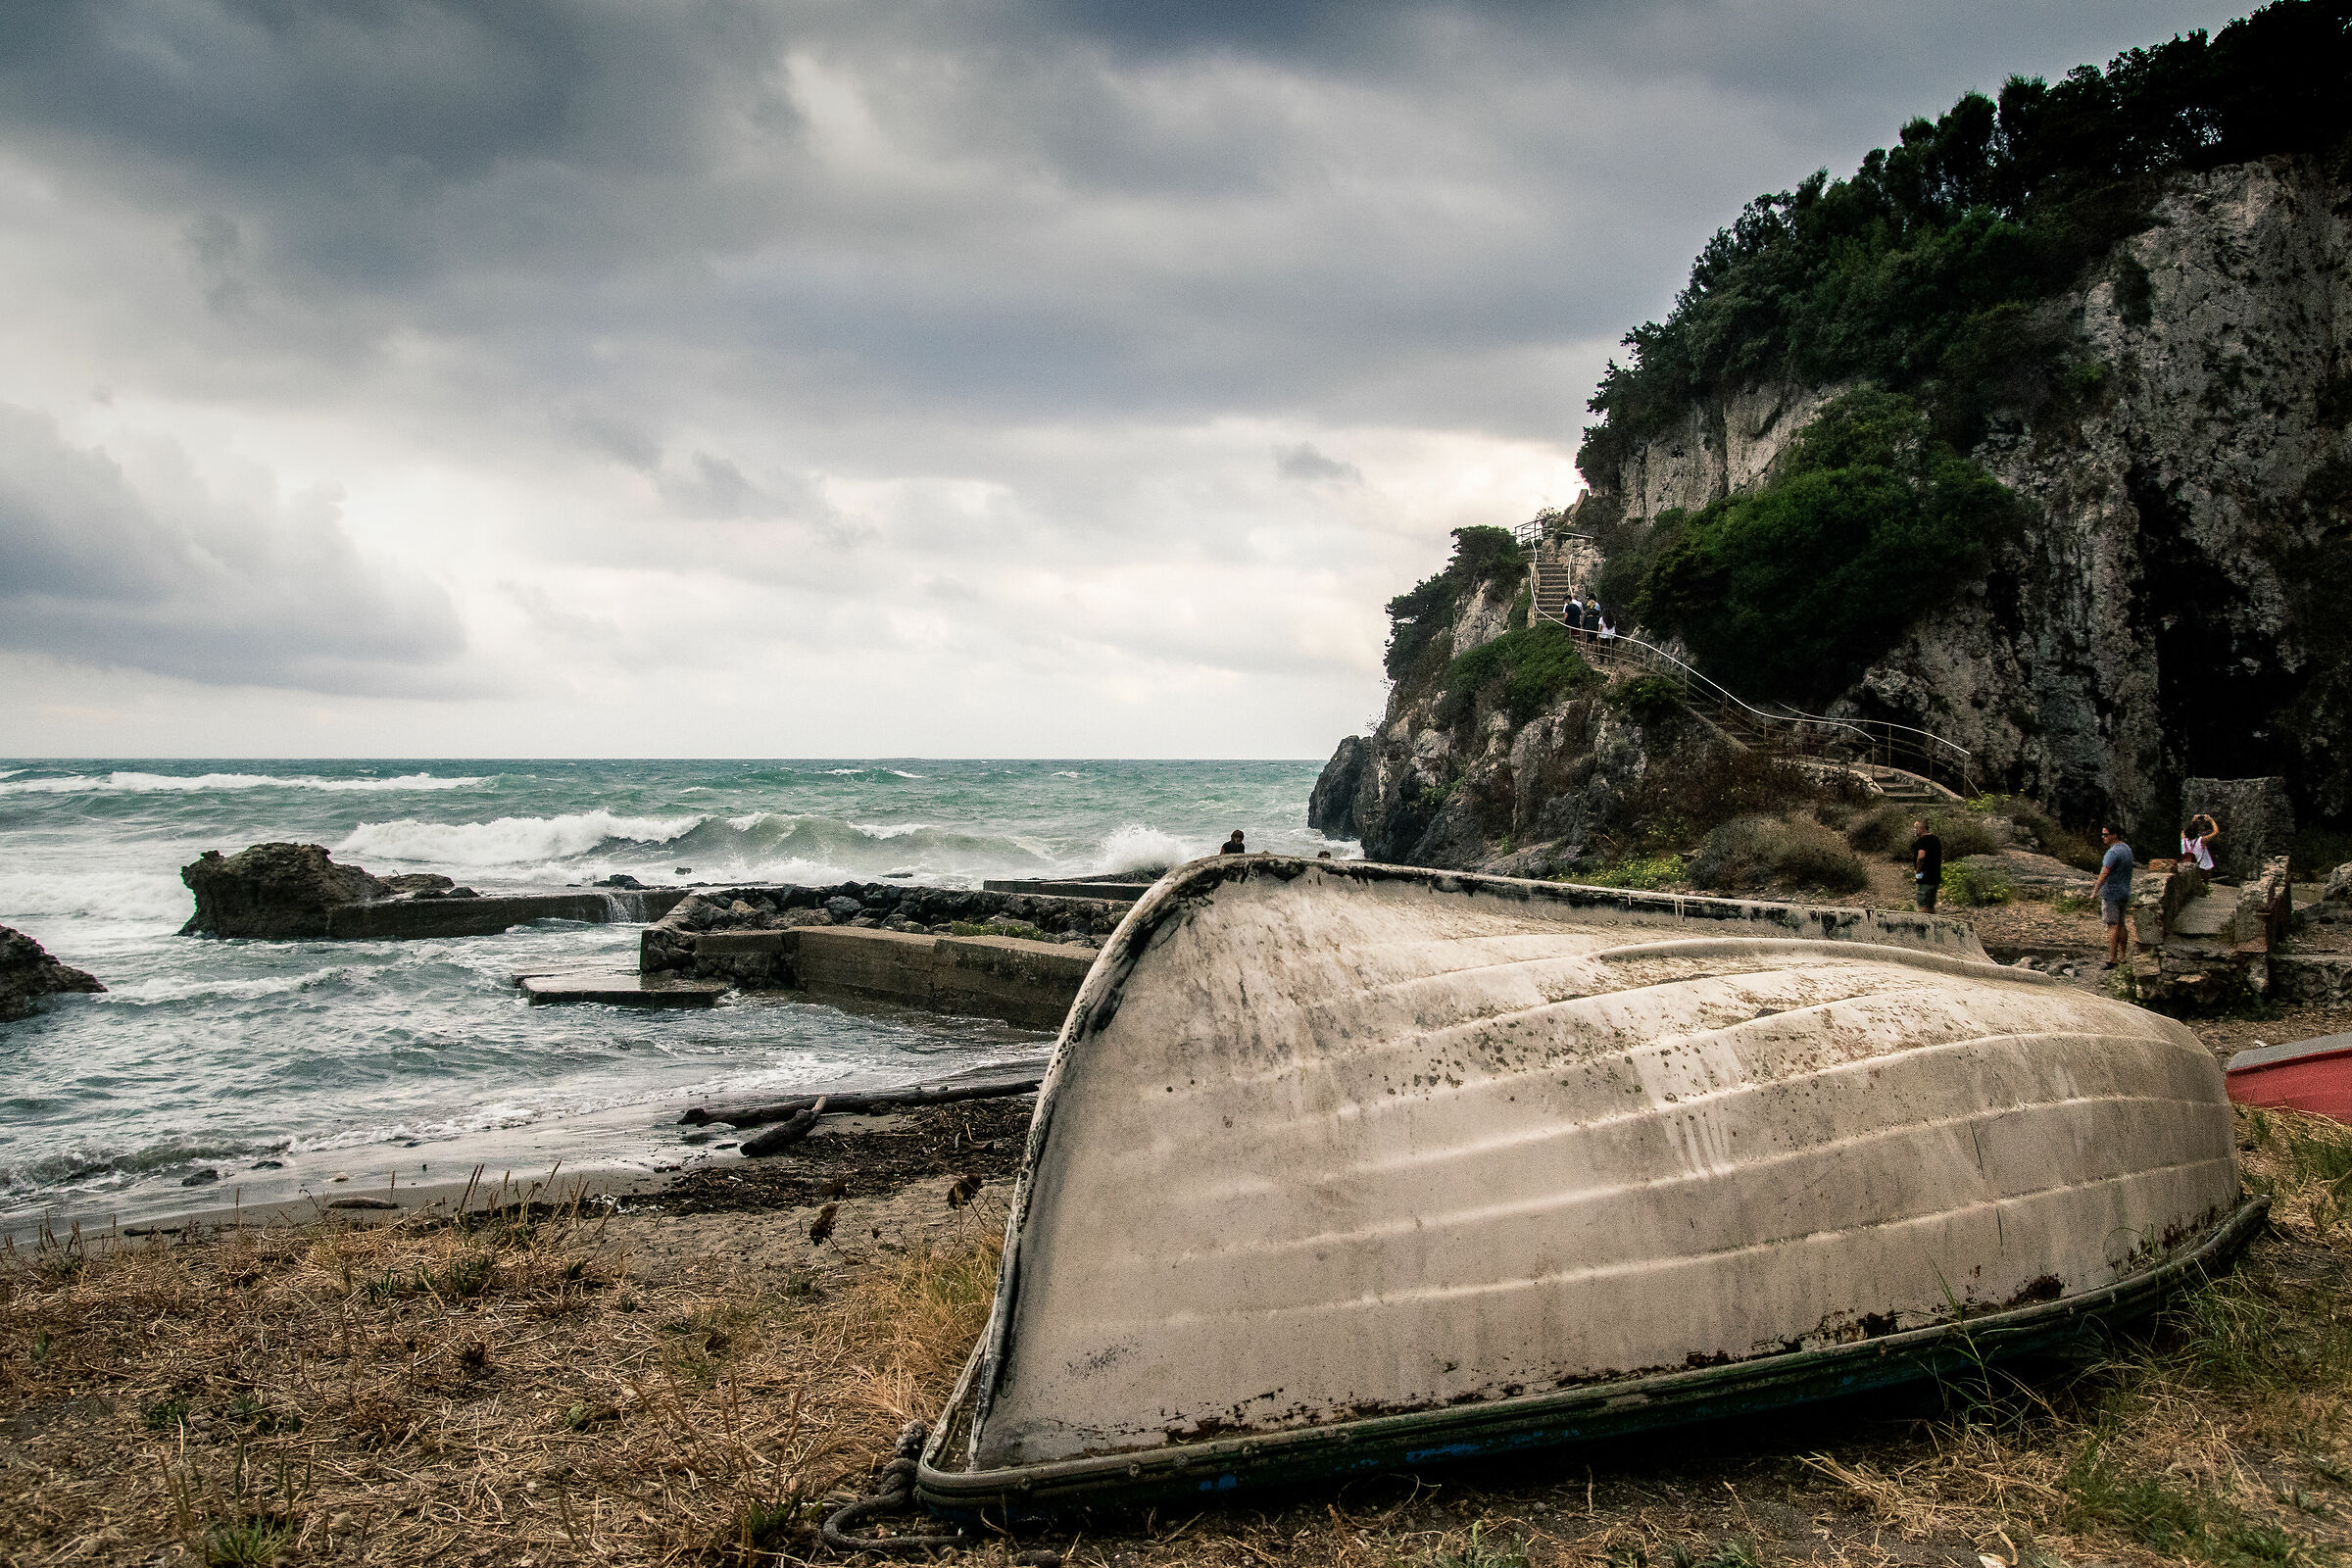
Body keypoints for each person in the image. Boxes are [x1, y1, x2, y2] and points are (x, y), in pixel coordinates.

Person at [2091, 824, 2135, 968]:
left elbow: (2105, 872)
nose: (2103, 837)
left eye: (2106, 834)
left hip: (2111, 892)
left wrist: (2095, 891)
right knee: (2122, 924)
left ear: (2114, 835)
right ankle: (2123, 956)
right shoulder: (2127, 849)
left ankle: (2112, 958)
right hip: (2124, 891)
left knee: (2112, 925)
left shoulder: (2113, 853)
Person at [1911, 818, 1943, 911]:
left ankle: (1923, 924)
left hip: (1925, 878)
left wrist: (1918, 870)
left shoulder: (1922, 841)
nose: (1915, 830)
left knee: (1923, 905)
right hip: (1935, 877)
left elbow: (1921, 856)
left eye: (1916, 828)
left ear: (1922, 828)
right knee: (1930, 905)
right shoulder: (1935, 839)